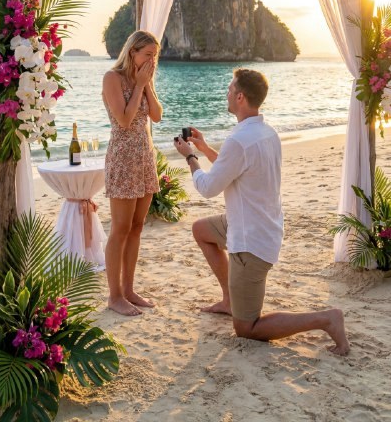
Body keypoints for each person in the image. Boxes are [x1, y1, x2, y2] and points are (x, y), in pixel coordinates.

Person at [173, 68, 350, 355]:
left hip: (250, 242)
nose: (227, 93)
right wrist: (204, 147)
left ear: (240, 97)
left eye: (230, 89)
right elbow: (233, 169)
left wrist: (190, 157)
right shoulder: (266, 133)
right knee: (201, 230)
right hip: (255, 224)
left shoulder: (239, 141)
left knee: (247, 328)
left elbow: (207, 187)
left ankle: (326, 319)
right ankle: (230, 299)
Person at [102, 30, 163, 316]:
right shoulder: (112, 78)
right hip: (124, 158)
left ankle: (129, 289)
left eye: (155, 55)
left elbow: (157, 115)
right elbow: (124, 120)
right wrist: (138, 85)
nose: (152, 60)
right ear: (132, 53)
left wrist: (146, 85)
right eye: (148, 54)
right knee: (120, 228)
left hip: (144, 158)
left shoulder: (144, 79)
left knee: (137, 226)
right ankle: (114, 296)